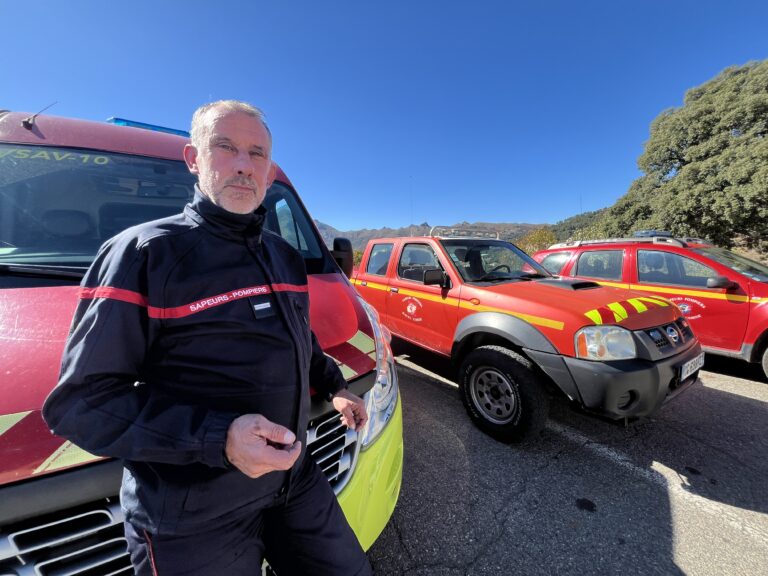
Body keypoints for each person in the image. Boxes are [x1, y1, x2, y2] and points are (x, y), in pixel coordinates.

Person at [42, 100, 373, 576]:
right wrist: (221, 439)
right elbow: (81, 405)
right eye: (225, 147)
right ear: (193, 159)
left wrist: (335, 387)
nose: (244, 164)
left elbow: (298, 338)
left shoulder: (283, 256)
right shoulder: (144, 254)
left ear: (269, 170)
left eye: (257, 153)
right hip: (191, 514)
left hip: (292, 480)